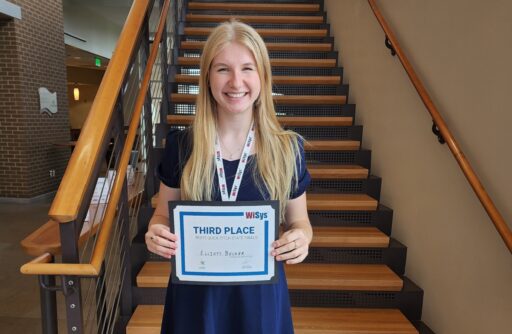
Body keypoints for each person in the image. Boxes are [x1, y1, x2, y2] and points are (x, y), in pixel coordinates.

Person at [145, 20, 312, 334]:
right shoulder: (182, 146)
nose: (236, 82)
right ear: (207, 77)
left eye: (247, 68)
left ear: (262, 76)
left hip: (259, 300)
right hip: (196, 299)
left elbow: (300, 222)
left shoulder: (288, 149)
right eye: (223, 69)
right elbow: (161, 216)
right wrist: (155, 233)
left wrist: (301, 239)